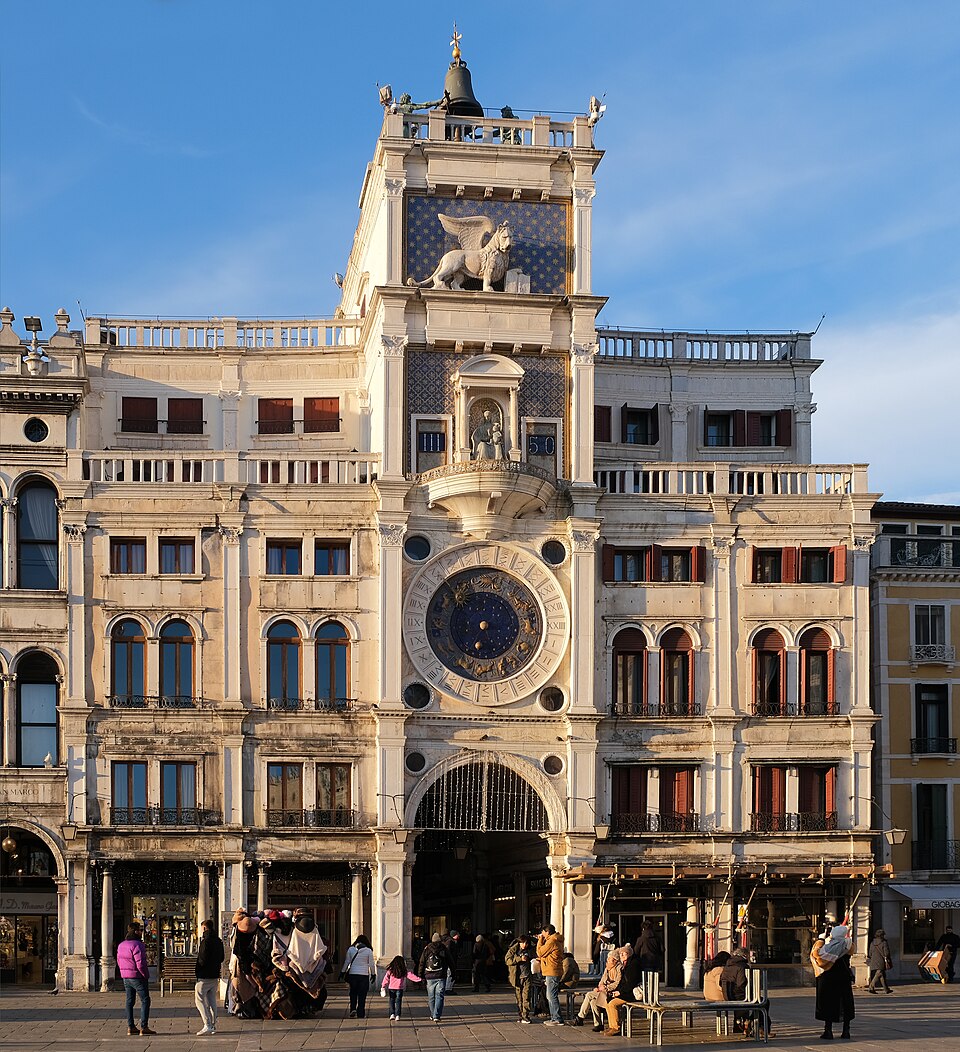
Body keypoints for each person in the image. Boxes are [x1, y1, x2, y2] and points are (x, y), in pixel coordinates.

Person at [811, 923, 855, 1040]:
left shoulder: (828, 947)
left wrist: (820, 940)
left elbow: (817, 956)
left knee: (829, 1003)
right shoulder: (849, 945)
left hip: (829, 978)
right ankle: (846, 1031)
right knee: (845, 1003)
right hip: (844, 977)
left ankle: (828, 1031)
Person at [569, 945, 624, 1030]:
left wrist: (606, 987)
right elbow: (602, 980)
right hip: (604, 990)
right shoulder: (608, 968)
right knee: (593, 1001)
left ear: (615, 960)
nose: (607, 960)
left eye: (609, 959)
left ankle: (580, 1017)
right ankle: (598, 1024)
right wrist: (599, 987)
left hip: (611, 992)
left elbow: (617, 982)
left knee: (589, 995)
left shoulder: (619, 968)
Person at [117, 923, 156, 1037]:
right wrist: (146, 975)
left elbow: (119, 961)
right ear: (136, 932)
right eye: (140, 930)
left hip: (126, 977)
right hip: (137, 976)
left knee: (129, 1001)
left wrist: (123, 973)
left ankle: (131, 1027)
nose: (141, 932)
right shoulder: (138, 945)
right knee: (145, 1000)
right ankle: (144, 1027)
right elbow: (141, 963)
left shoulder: (121, 945)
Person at [602, 944, 644, 1036]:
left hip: (631, 993)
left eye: (624, 954)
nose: (622, 955)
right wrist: (616, 991)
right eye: (621, 954)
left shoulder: (633, 965)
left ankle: (616, 1028)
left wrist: (620, 992)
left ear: (629, 954)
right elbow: (622, 982)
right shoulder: (625, 965)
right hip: (625, 992)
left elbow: (630, 983)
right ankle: (611, 1026)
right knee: (608, 1002)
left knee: (612, 1004)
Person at [194, 918, 225, 1036]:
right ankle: (213, 1024)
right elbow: (222, 958)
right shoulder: (218, 941)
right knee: (212, 1000)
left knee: (199, 1000)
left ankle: (207, 1024)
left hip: (204, 975)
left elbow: (202, 959)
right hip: (215, 974)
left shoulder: (205, 941)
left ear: (204, 928)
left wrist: (198, 971)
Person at [418, 932, 454, 1022]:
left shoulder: (427, 949)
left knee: (431, 997)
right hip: (441, 975)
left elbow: (422, 962)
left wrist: (420, 975)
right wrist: (453, 973)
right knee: (440, 996)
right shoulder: (444, 948)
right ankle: (436, 1015)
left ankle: (432, 1014)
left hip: (429, 975)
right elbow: (450, 961)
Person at [340, 934, 376, 1019]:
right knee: (362, 995)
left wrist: (342, 972)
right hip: (364, 975)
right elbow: (371, 964)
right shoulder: (368, 951)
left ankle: (352, 1009)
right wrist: (373, 974)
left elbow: (347, 962)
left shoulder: (351, 949)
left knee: (353, 992)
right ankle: (361, 1012)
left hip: (353, 974)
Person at [537, 922, 565, 1025]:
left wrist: (540, 940)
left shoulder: (552, 941)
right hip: (553, 969)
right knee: (551, 995)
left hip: (552, 971)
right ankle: (555, 1017)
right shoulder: (556, 940)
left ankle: (556, 1018)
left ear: (547, 932)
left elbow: (540, 952)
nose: (542, 934)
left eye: (543, 932)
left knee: (551, 995)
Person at [380, 954, 422, 1020]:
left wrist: (383, 986)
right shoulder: (403, 971)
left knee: (392, 1001)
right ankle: (398, 1015)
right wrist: (419, 979)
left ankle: (392, 1014)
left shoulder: (390, 970)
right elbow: (411, 976)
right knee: (398, 1002)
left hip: (391, 988)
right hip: (399, 988)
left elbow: (386, 978)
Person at [505, 934, 535, 1023]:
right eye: (522, 943)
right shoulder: (513, 950)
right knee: (519, 997)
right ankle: (521, 1015)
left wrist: (532, 938)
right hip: (517, 977)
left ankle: (525, 1015)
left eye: (526, 943)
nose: (524, 945)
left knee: (526, 996)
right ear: (519, 942)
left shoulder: (530, 949)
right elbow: (508, 961)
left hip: (527, 976)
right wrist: (519, 959)